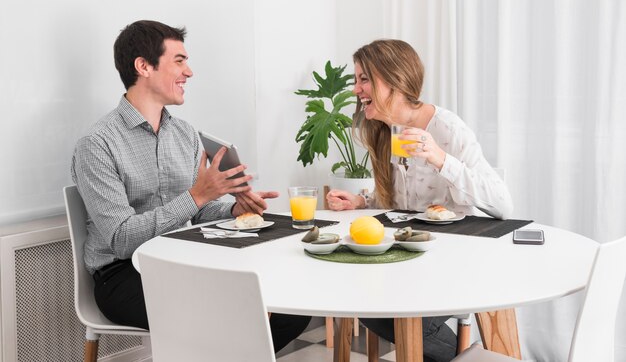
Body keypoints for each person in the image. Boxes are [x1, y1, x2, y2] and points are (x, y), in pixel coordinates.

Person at [71, 20, 310, 352]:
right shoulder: (97, 145)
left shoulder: (184, 134)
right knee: (226, 314)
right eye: (179, 61)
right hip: (123, 274)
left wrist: (233, 209)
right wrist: (198, 193)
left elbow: (198, 214)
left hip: (185, 257)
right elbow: (122, 239)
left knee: (290, 309)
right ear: (143, 66)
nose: (190, 72)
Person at [326, 39, 514, 362]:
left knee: (386, 312)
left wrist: (441, 159)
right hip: (410, 265)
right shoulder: (389, 131)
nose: (356, 89)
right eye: (356, 80)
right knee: (361, 299)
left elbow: (503, 204)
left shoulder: (449, 130)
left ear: (394, 81)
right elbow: (400, 204)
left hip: (452, 267)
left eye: (364, 79)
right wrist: (361, 201)